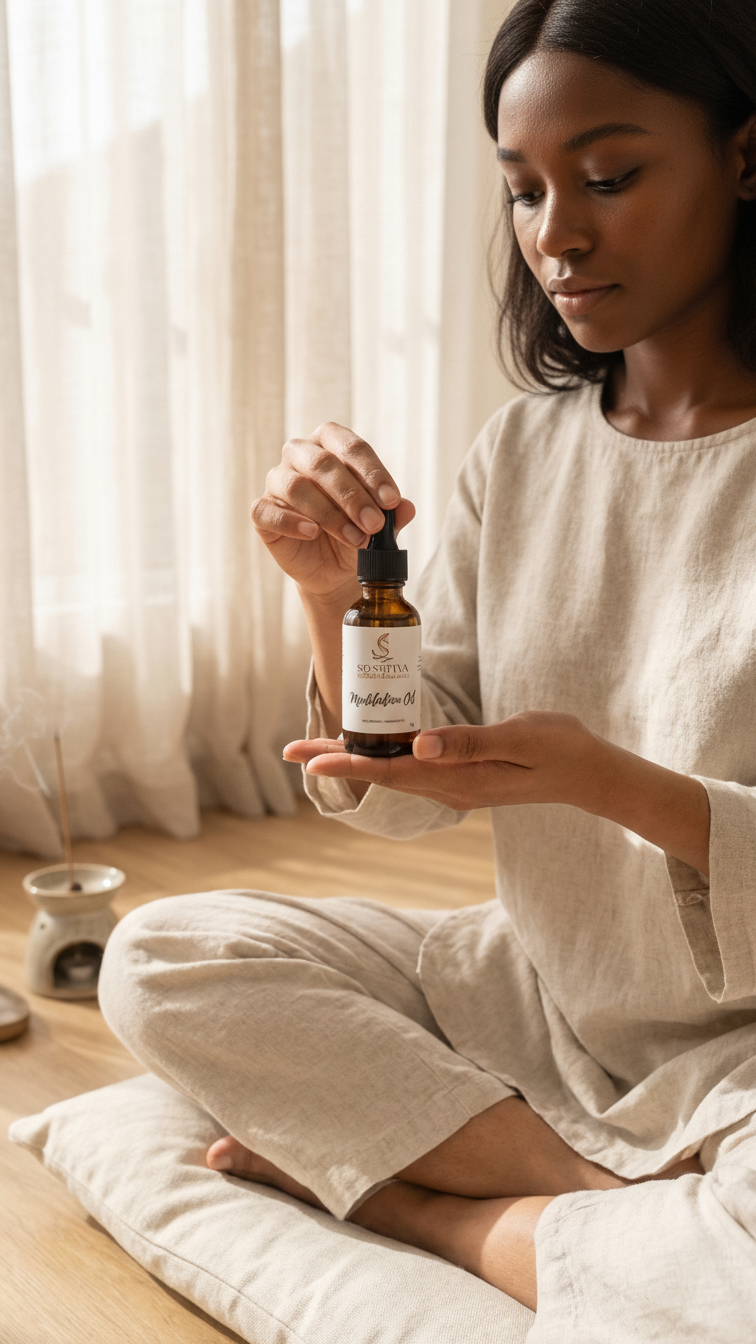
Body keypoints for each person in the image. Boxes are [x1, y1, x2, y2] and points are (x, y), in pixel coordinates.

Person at [99, 0, 756, 1336]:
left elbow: (601, 794)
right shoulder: (520, 454)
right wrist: (329, 592)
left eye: (610, 177)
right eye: (524, 191)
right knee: (165, 955)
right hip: (541, 997)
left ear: (746, 155)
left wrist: (619, 787)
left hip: (737, 1058)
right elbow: (401, 789)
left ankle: (427, 1207)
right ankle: (587, 1208)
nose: (556, 235)